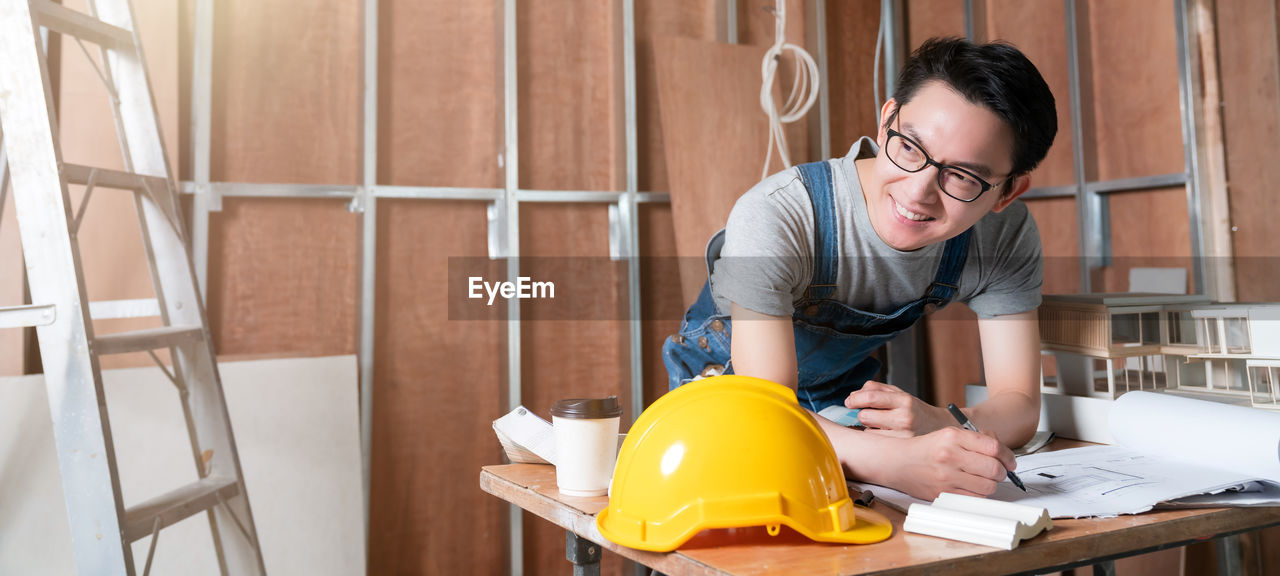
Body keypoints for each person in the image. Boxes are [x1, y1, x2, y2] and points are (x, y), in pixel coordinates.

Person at [662, 37, 1057, 501]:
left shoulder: (1003, 236)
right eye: (909, 147)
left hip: (842, 403)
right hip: (729, 401)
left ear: (1008, 192)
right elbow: (764, 411)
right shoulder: (780, 214)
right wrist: (895, 462)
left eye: (963, 177)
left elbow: (1021, 405)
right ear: (888, 118)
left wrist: (939, 421)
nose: (918, 192)